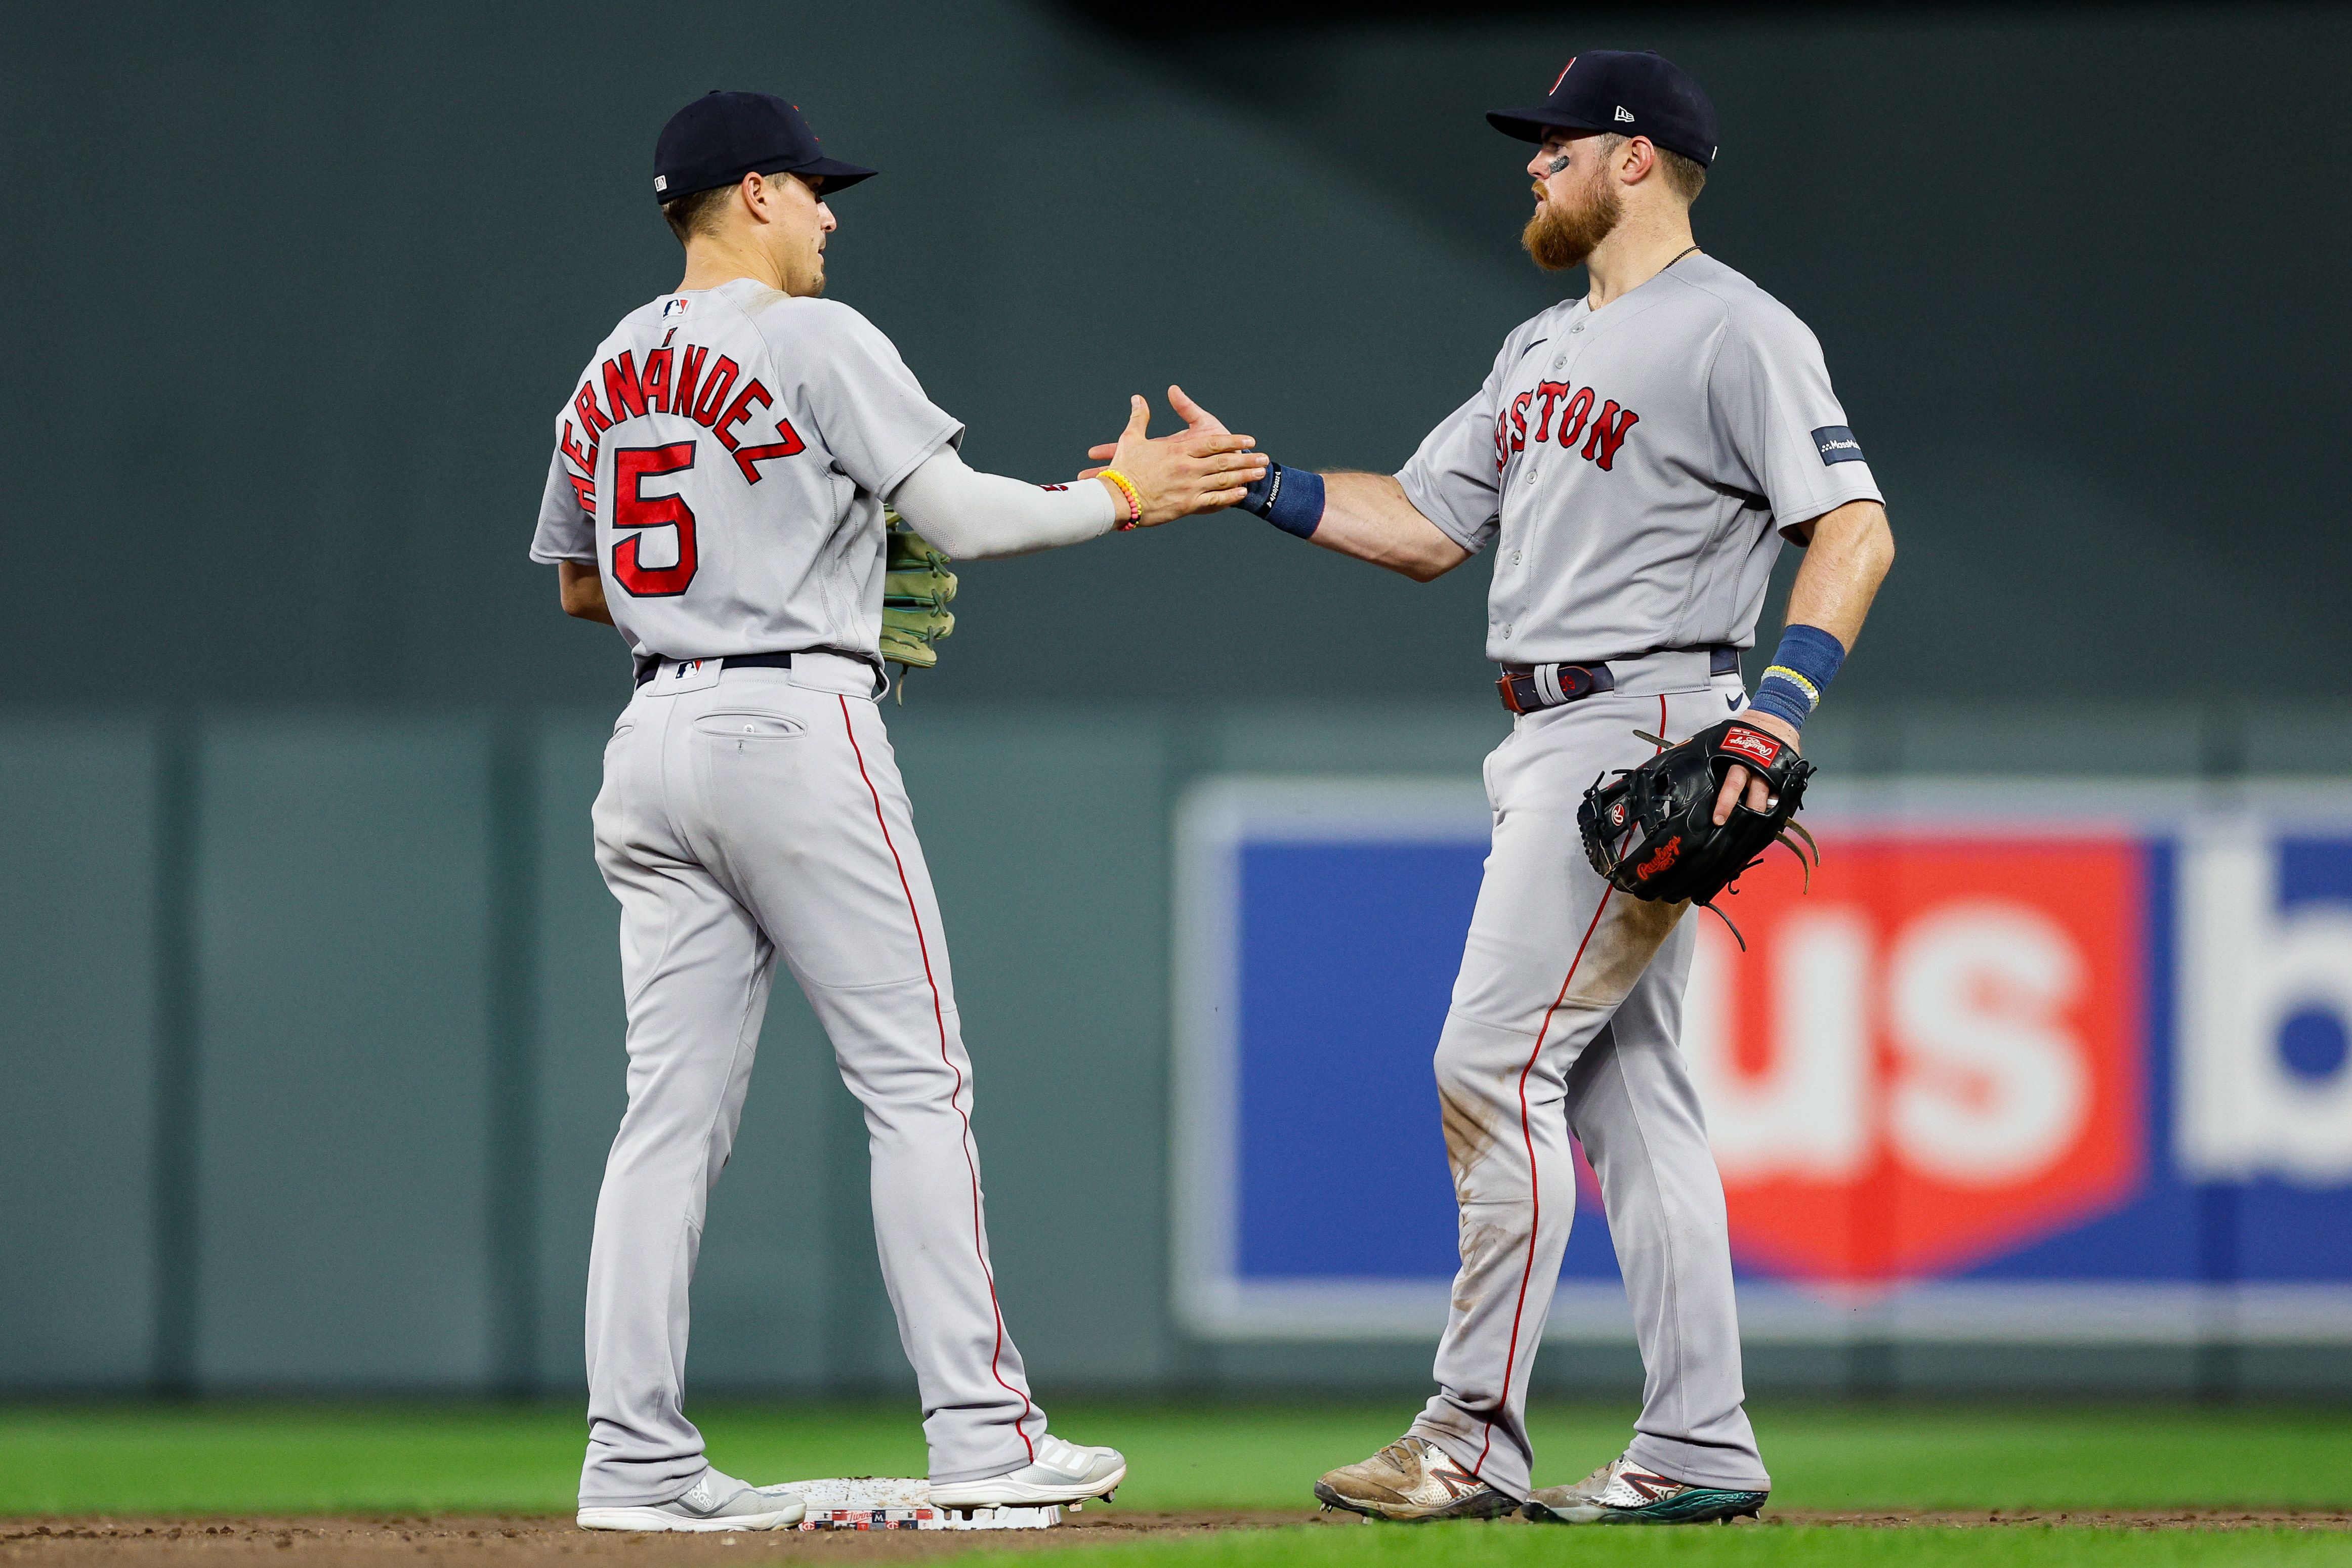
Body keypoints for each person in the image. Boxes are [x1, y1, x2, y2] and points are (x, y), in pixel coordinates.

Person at [1105, 50, 1895, 1525]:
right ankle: (1702, 1436)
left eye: (1558, 143)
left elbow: (1852, 526)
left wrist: (1779, 712)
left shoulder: (1736, 329)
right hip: (1549, 729)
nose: (1533, 162)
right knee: (1626, 1095)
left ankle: (1470, 1429)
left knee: (1487, 1065)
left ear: (1637, 157)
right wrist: (1256, 483)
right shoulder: (1539, 348)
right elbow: (1419, 525)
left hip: (1645, 715)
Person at [531, 90, 1265, 1533]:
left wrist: (763, 551)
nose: (829, 213)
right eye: (812, 190)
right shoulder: (816, 337)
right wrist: (1121, 491)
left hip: (651, 730)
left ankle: (632, 1460)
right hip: (794, 724)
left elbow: (577, 583)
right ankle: (985, 1435)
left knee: (664, 1124)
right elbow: (979, 520)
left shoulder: (609, 363)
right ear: (751, 194)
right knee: (917, 1084)